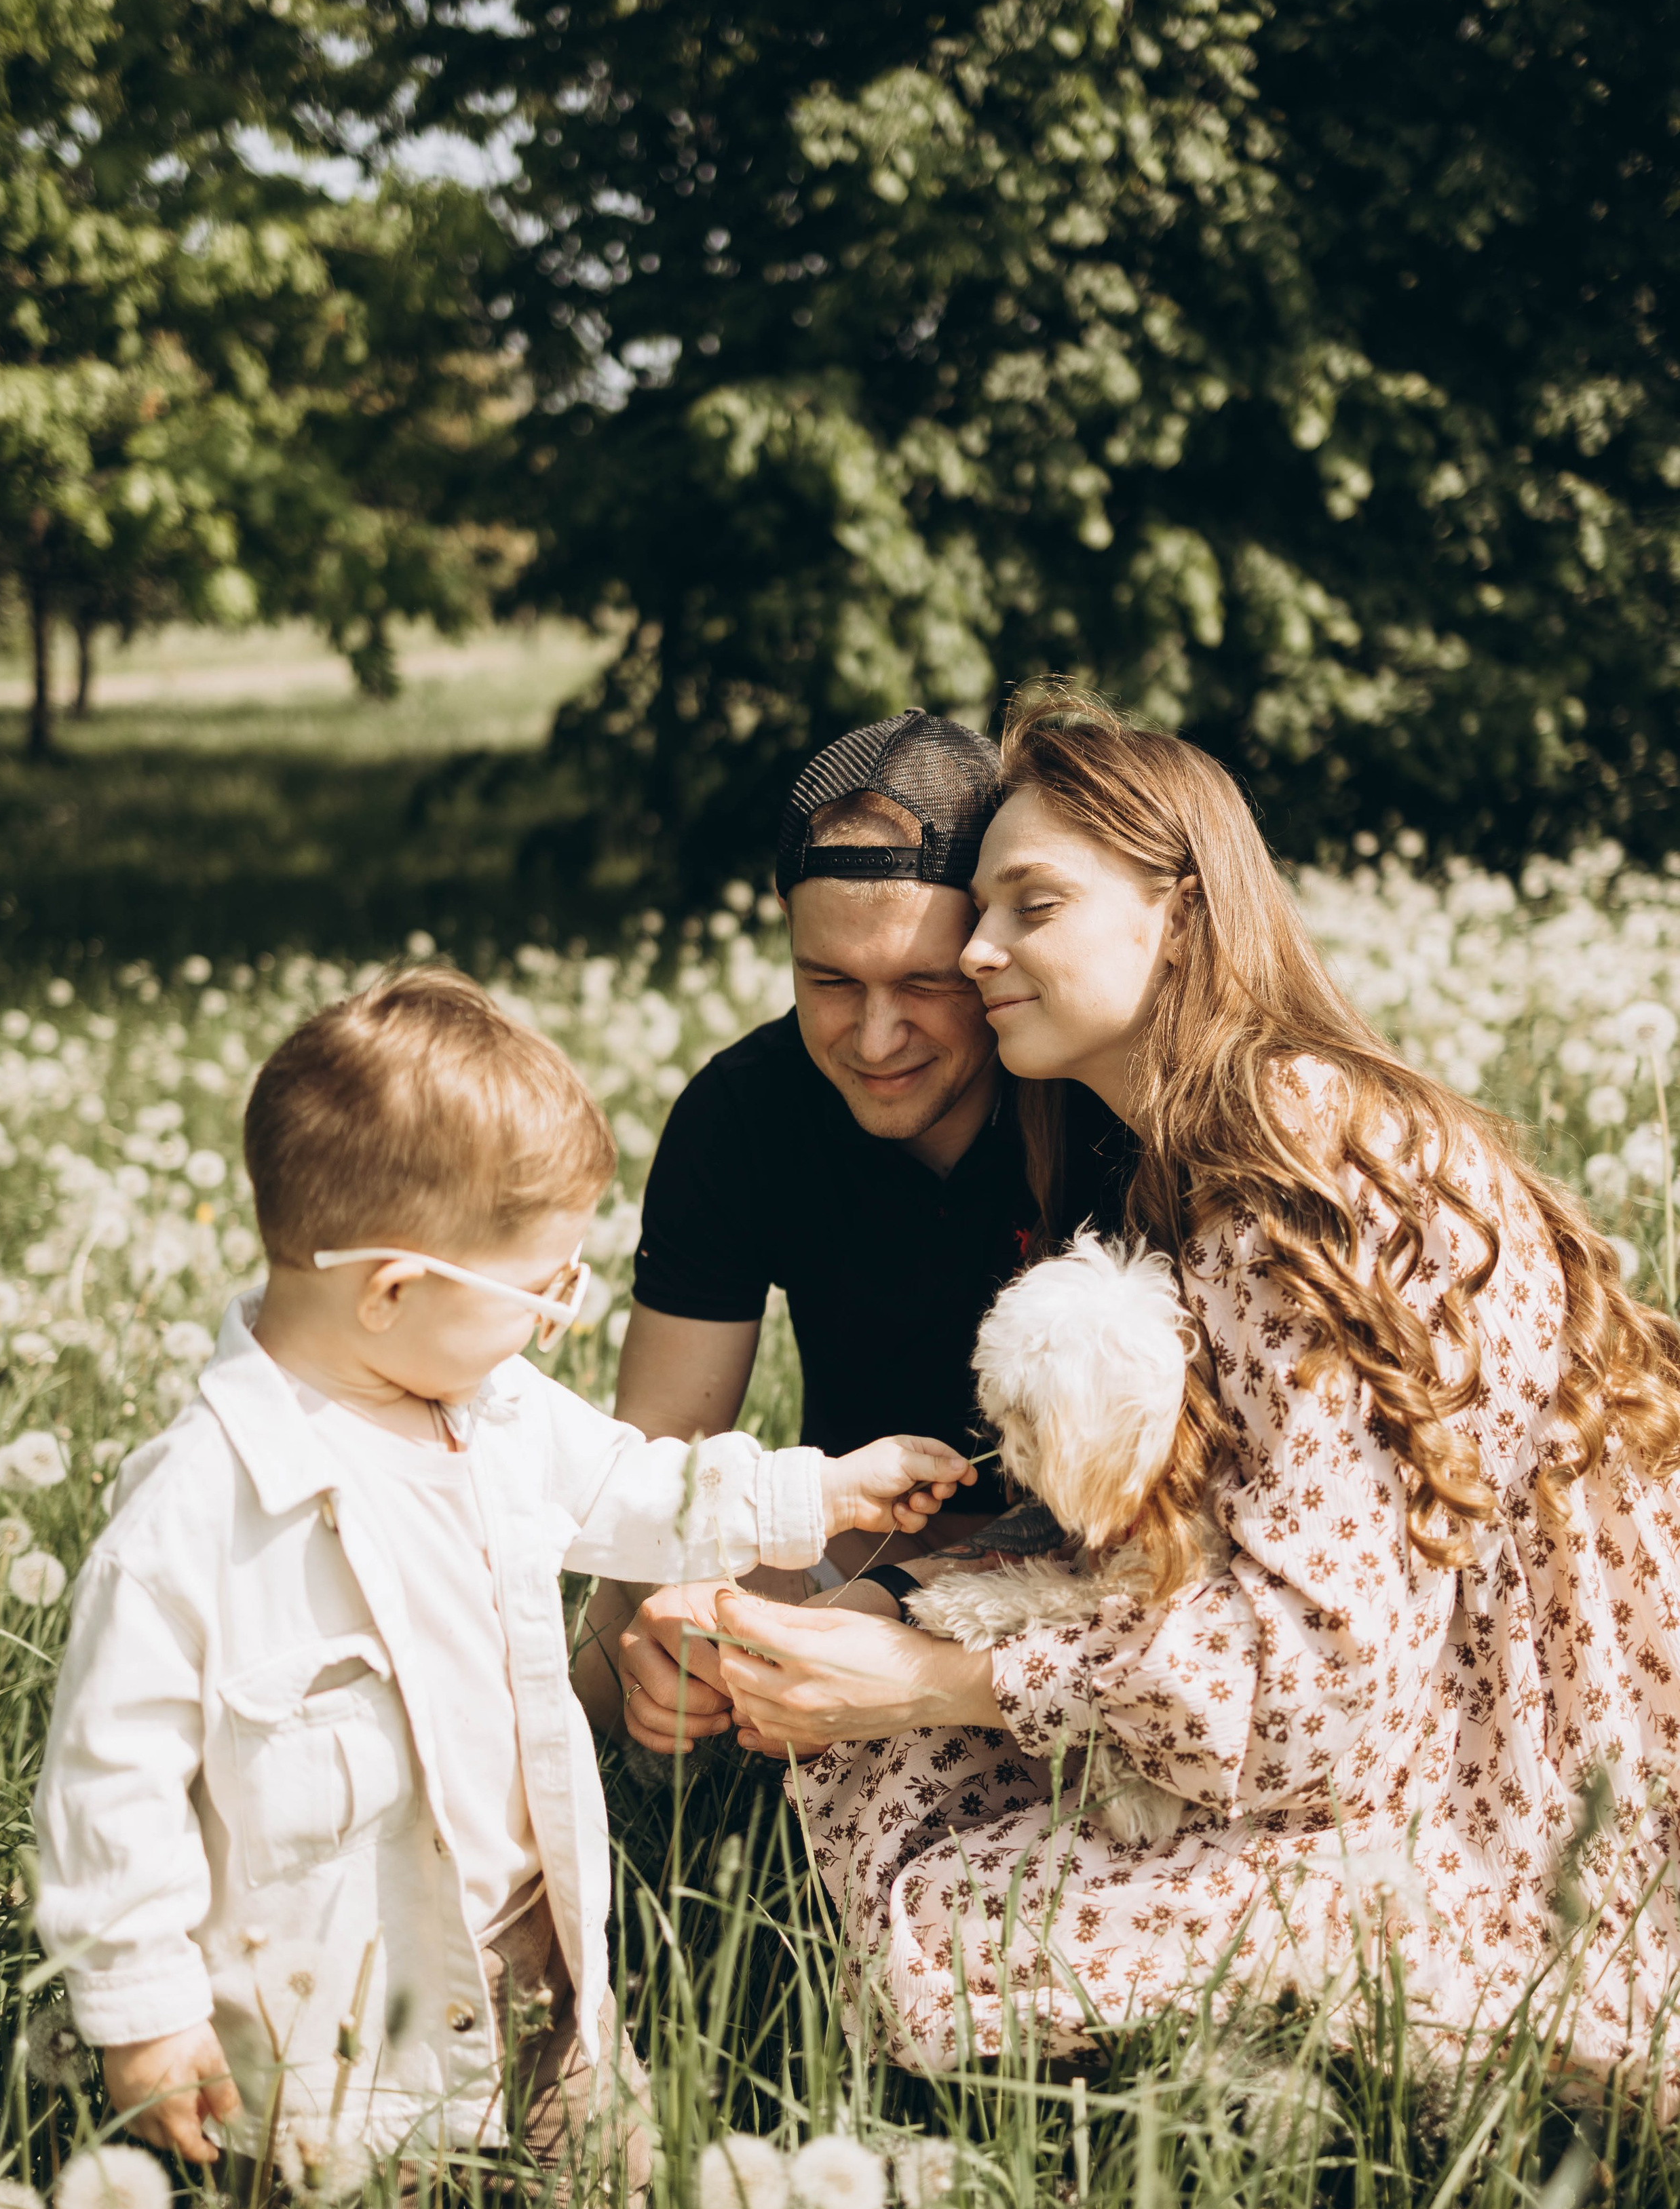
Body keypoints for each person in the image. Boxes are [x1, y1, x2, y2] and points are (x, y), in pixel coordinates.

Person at [666, 689, 1680, 2097]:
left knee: (960, 1911)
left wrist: (930, 1680)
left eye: (1029, 907)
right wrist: (892, 1618)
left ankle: (1292, 2104)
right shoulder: (1197, 1147)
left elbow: (1326, 1681)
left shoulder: (1296, 1180)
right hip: (1412, 1699)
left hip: (1511, 1755)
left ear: (1180, 916)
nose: (975, 950)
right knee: (896, 1785)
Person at [33, 968, 974, 2176]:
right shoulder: (194, 1518)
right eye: (542, 1292)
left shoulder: (495, 1408)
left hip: (542, 1951)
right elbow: (107, 1784)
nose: (551, 1323)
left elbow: (637, 1489)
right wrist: (141, 2014)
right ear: (390, 1292)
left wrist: (824, 1490)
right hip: (327, 2029)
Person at [577, 707, 1132, 1753]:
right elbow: (662, 1468)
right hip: (851, 1550)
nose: (875, 1039)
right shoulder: (741, 1112)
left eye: (925, 983)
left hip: (1095, 1567)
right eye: (829, 983)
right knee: (636, 1636)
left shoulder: (1095, 1099)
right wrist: (651, 1655)